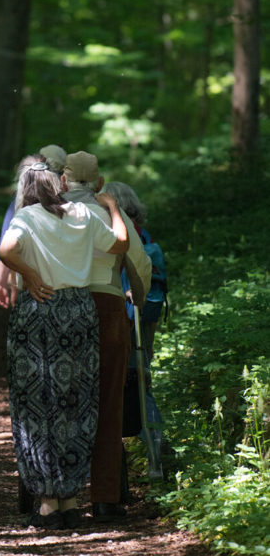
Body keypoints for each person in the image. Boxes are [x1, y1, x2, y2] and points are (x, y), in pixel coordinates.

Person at [0, 156, 129, 530]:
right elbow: (120, 244)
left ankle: (47, 504)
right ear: (60, 184)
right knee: (77, 401)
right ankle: (71, 499)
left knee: (37, 403)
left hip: (38, 311)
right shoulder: (83, 215)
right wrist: (113, 206)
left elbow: (6, 251)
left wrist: (30, 273)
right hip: (78, 311)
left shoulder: (27, 217)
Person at [61, 152, 152, 523]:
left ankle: (60, 493)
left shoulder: (49, 215)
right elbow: (140, 266)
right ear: (99, 184)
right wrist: (139, 303)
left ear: (63, 182)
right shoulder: (111, 215)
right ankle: (105, 498)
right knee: (109, 401)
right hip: (109, 307)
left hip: (63, 310)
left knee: (64, 400)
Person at [103, 181, 167, 472]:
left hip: (125, 317)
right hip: (146, 318)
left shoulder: (117, 233)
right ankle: (154, 441)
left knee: (130, 382)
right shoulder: (145, 234)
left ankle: (151, 444)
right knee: (142, 379)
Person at [0, 145, 67, 310]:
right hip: (68, 292)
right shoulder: (72, 207)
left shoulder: (20, 206)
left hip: (29, 288)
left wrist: (3, 283)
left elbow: (5, 248)